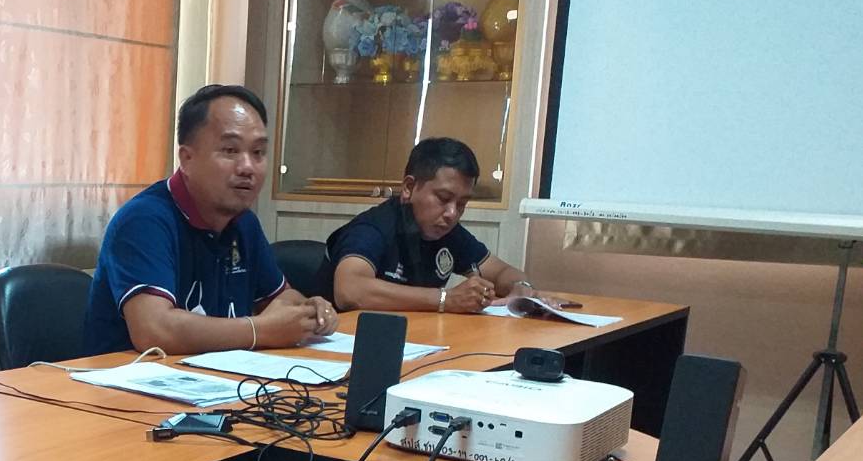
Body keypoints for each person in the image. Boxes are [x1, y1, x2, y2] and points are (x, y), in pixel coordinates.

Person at [83, 84, 339, 355]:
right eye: (230, 150)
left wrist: (310, 310)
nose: (247, 167)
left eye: (258, 152)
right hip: (131, 377)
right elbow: (155, 330)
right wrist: (260, 330)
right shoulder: (144, 220)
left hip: (218, 374)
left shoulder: (243, 223)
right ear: (187, 159)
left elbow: (280, 298)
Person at [324, 137, 556, 313]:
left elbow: (502, 271)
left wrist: (520, 287)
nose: (452, 213)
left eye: (462, 203)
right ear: (409, 188)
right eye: (443, 198)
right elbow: (350, 290)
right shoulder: (372, 228)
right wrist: (446, 299)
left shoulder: (448, 233)